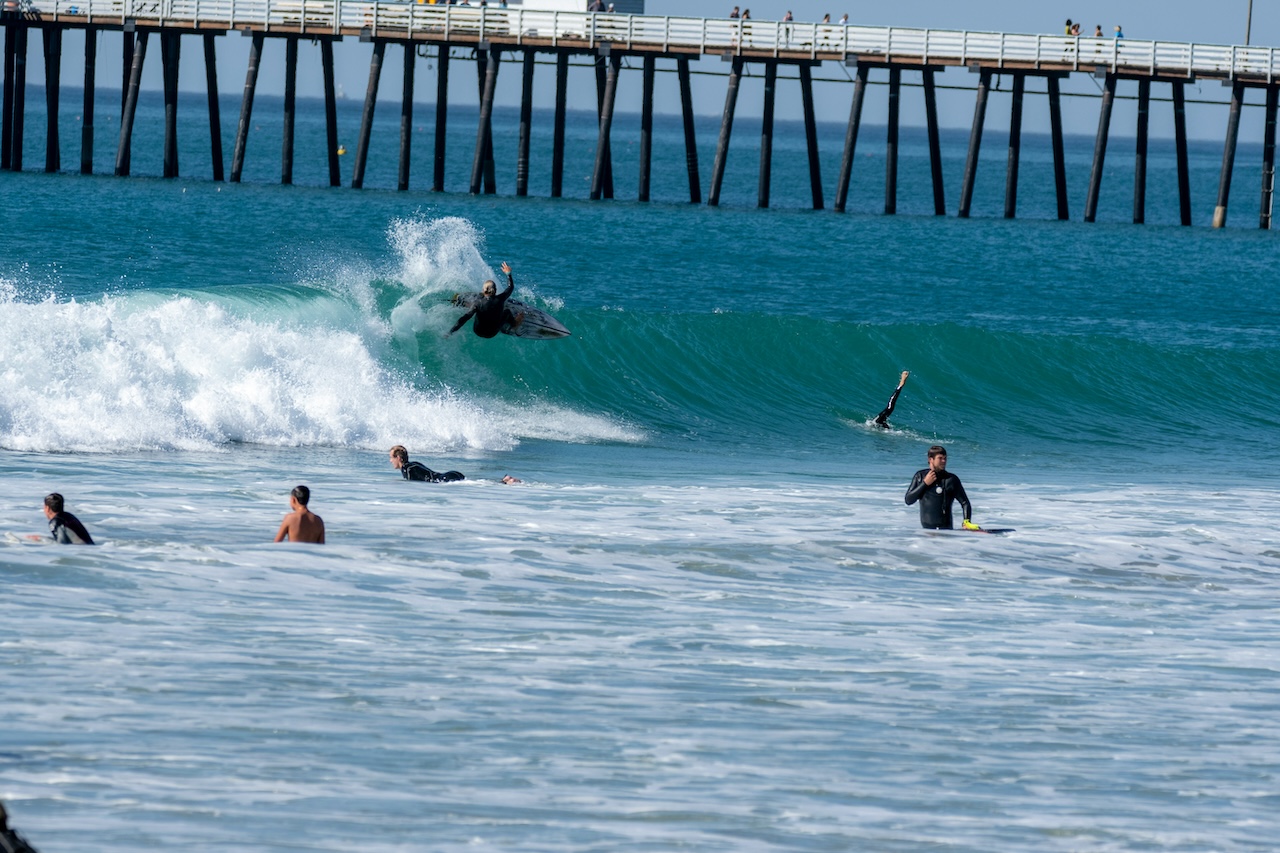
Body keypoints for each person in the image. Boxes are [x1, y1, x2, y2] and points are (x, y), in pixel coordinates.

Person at [904, 445, 976, 530]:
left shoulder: (951, 479)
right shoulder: (920, 476)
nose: (944, 461)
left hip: (946, 532)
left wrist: (966, 521)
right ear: (931, 459)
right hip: (926, 532)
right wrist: (925, 483)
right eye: (940, 458)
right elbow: (908, 500)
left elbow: (965, 503)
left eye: (945, 458)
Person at [448, 261, 524, 339]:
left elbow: (464, 319)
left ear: (483, 290)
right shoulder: (501, 298)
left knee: (473, 309)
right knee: (507, 311)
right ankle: (514, 323)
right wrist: (508, 274)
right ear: (495, 290)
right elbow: (510, 287)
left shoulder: (477, 302)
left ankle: (466, 305)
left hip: (477, 331)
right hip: (492, 333)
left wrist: (450, 332)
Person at [389, 445, 465, 483]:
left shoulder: (407, 469)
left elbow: (414, 486)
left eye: (391, 457)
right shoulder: (413, 464)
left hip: (446, 479)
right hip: (451, 474)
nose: (390, 461)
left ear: (398, 458)